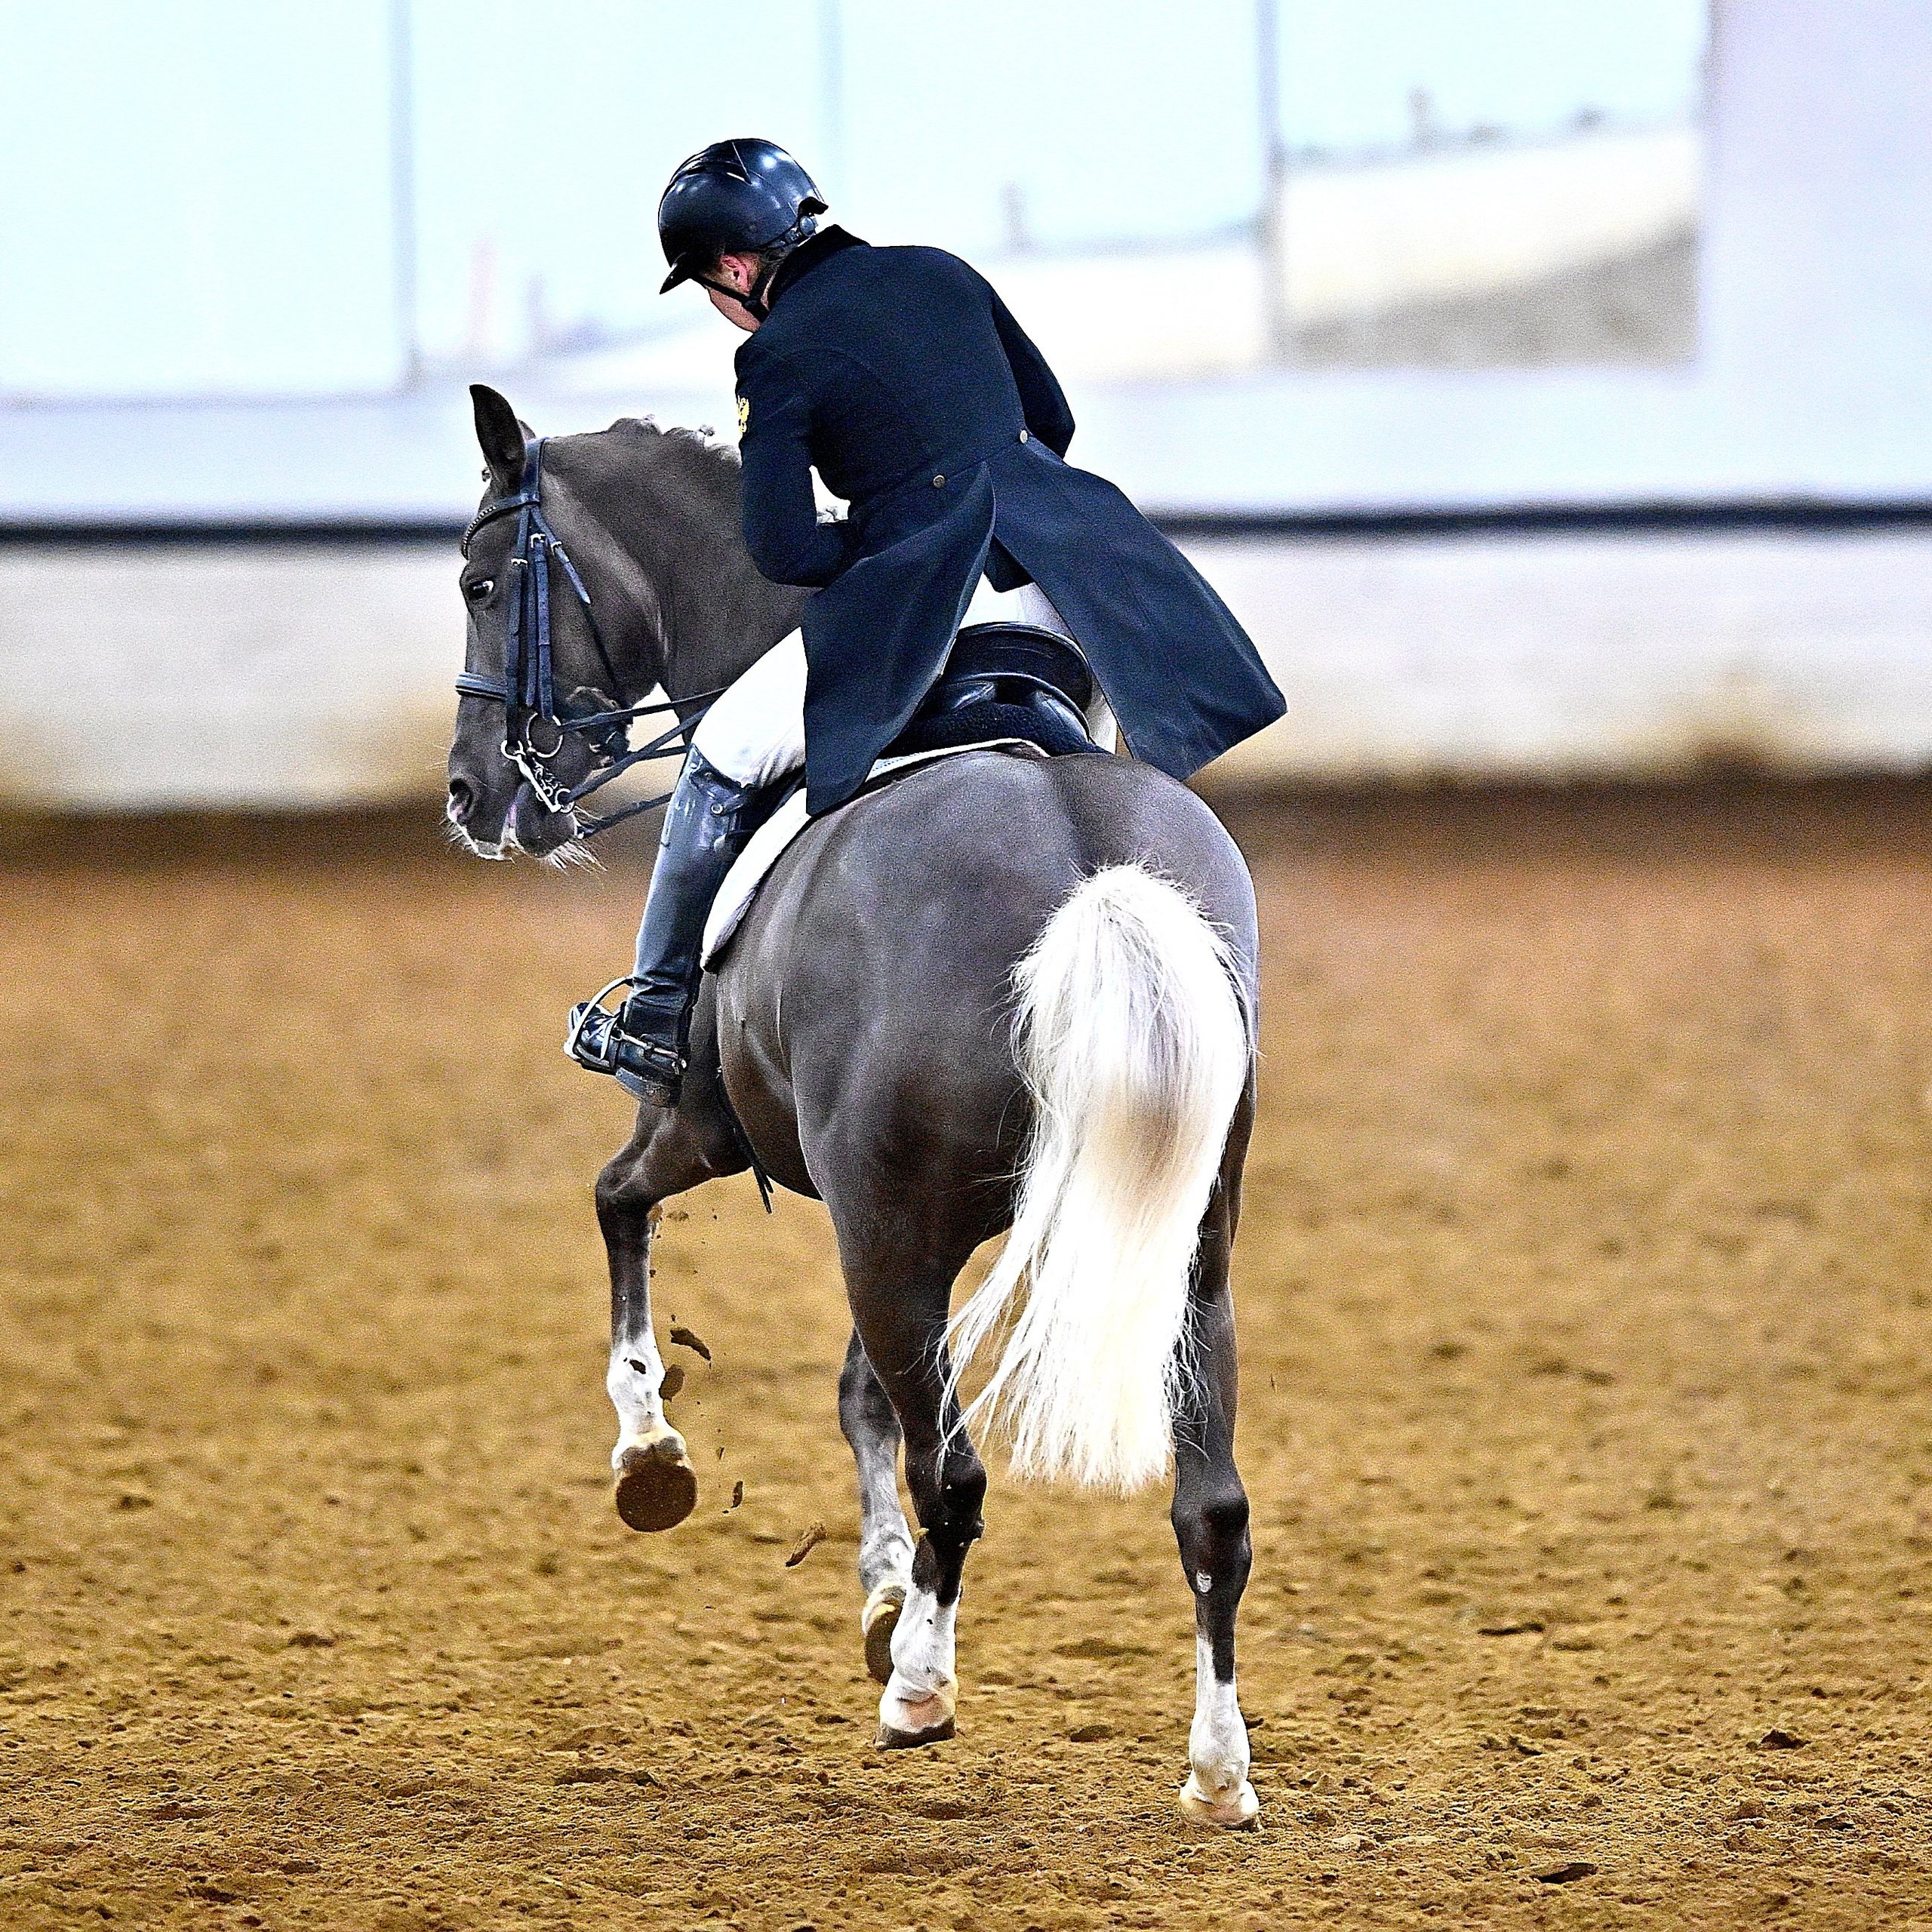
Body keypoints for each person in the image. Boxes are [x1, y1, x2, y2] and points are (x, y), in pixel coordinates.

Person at [567, 137, 1286, 1105]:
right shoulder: (941, 273)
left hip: (923, 600)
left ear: (735, 268)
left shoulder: (772, 356)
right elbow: (1053, 418)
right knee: (1095, 765)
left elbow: (780, 550)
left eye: (704, 284)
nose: (713, 302)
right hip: (1061, 587)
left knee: (722, 759)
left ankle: (653, 1019)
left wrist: (876, 544)